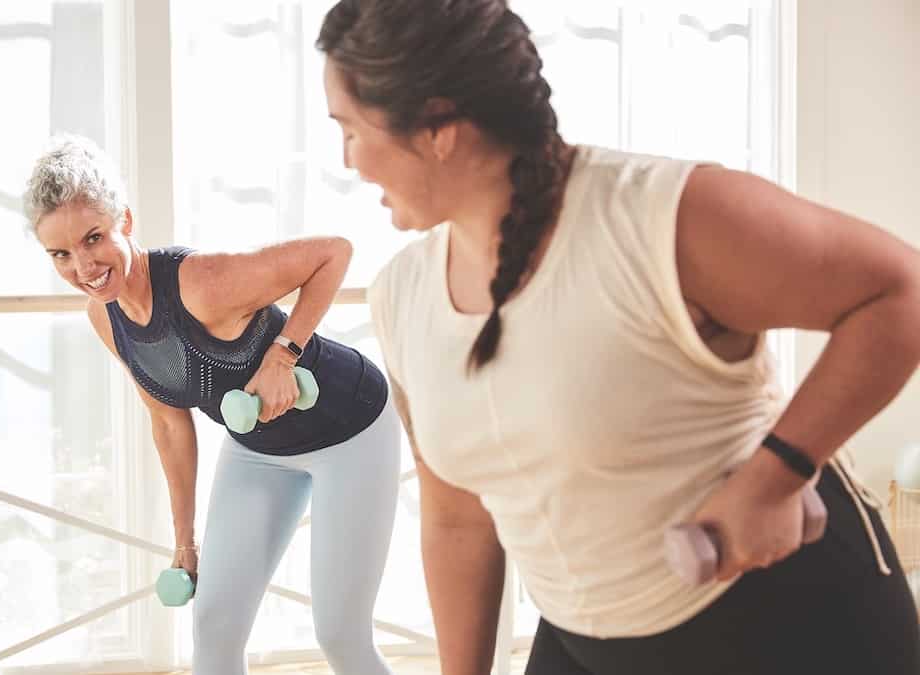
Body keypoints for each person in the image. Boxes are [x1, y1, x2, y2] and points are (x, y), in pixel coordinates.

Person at [316, 1, 920, 674]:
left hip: (788, 618)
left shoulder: (655, 217)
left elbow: (901, 292)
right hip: (584, 636)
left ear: (438, 127)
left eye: (350, 130)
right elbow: (459, 519)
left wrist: (775, 477)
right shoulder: (403, 296)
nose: (347, 160)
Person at [22, 135, 400, 675]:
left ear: (124, 220)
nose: (83, 266)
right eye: (61, 254)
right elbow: (168, 422)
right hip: (258, 451)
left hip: (351, 429)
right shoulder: (105, 317)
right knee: (215, 630)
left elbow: (333, 252)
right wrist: (185, 540)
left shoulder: (202, 283)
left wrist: (283, 355)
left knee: (341, 634)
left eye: (93, 238)